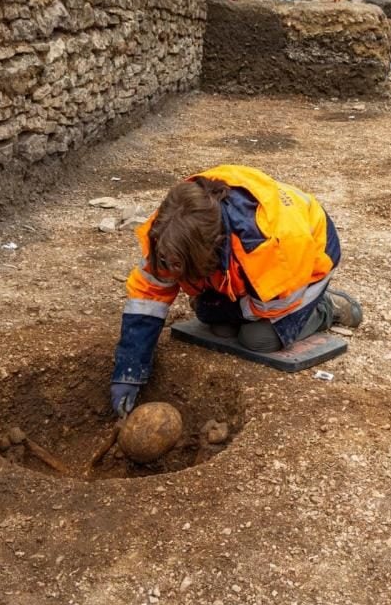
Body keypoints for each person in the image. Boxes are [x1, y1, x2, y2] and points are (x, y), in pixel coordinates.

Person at [109, 165, 363, 417]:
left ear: (208, 250)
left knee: (256, 339)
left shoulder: (269, 246)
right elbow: (148, 294)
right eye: (167, 261)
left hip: (306, 262)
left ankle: (324, 307)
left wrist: (217, 307)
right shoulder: (170, 229)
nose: (170, 270)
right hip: (248, 266)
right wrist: (129, 372)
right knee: (214, 321)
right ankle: (229, 303)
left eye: (178, 265)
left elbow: (274, 304)